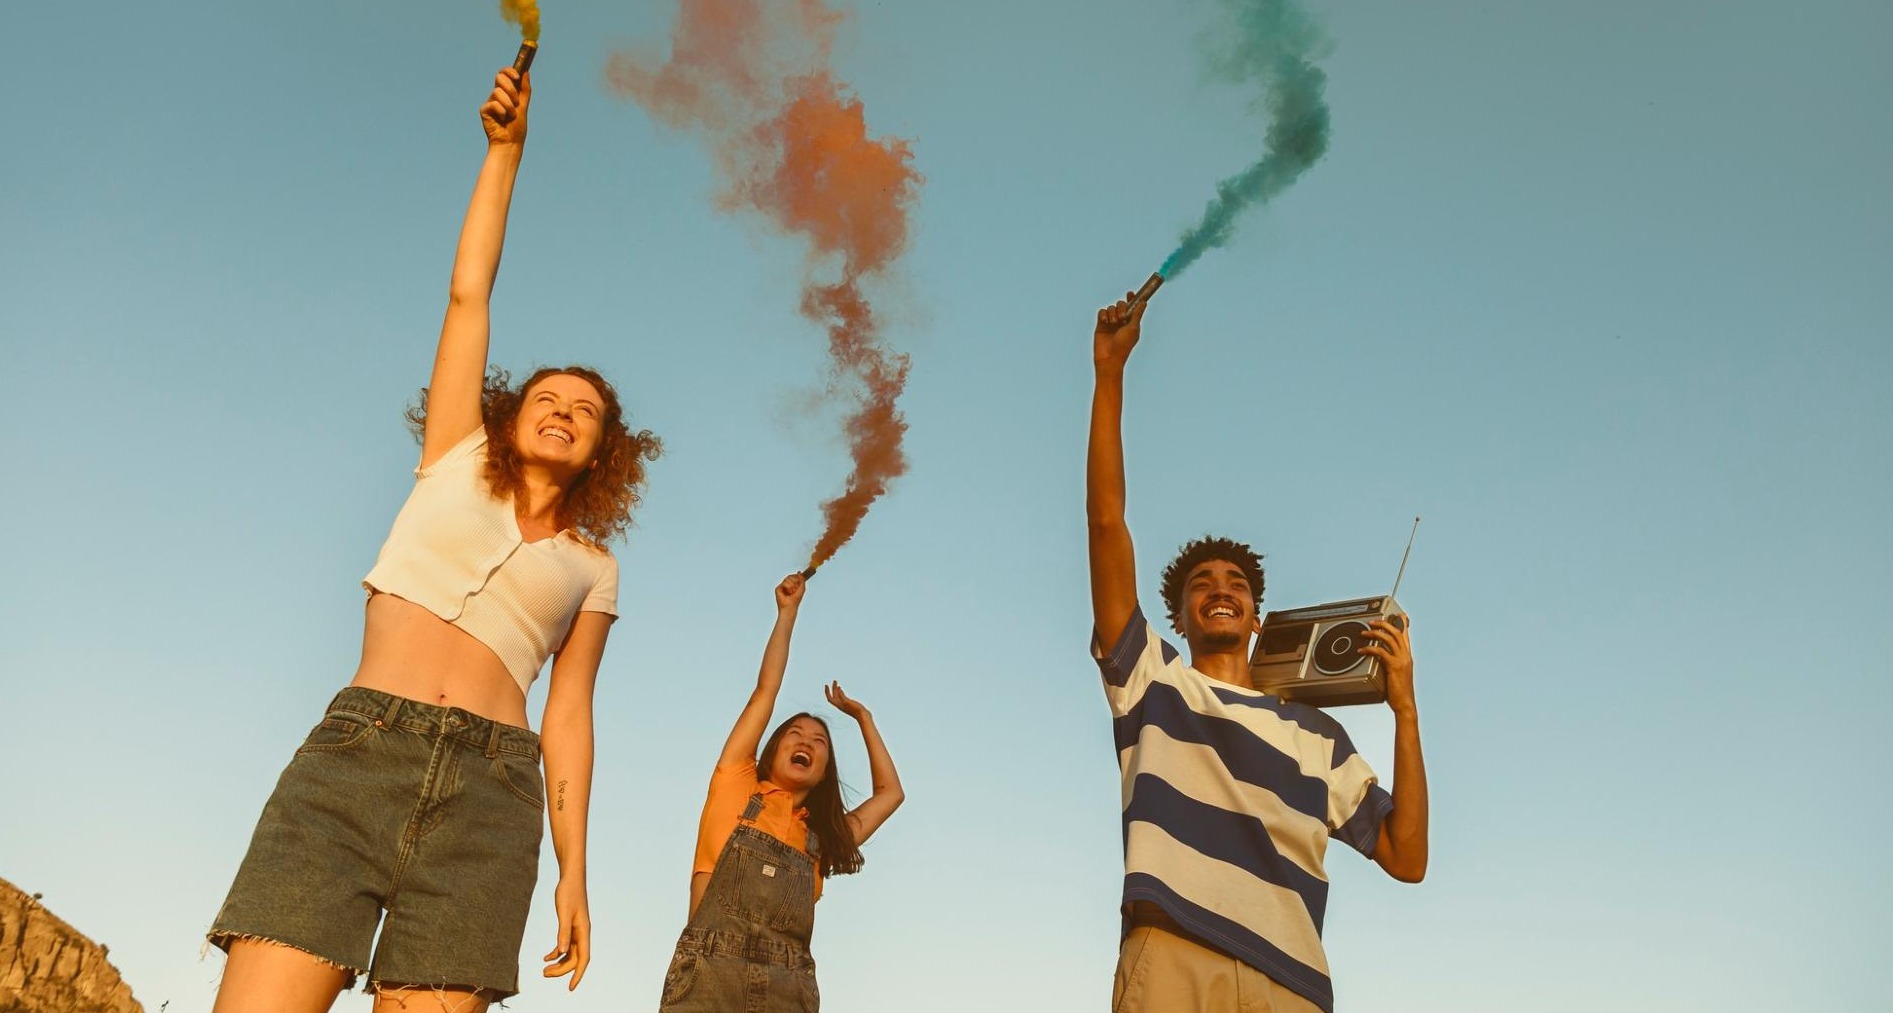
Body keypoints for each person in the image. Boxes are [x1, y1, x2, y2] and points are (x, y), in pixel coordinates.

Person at [206, 63, 661, 1013]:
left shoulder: (593, 566)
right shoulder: (454, 455)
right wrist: (505, 153)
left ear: (603, 452)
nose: (564, 411)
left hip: (493, 805)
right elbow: (469, 296)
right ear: (507, 415)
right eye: (547, 397)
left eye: (584, 411)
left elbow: (568, 716)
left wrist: (575, 871)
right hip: (357, 760)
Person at [1085, 294, 1429, 1013]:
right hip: (1174, 948)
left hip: (1291, 977)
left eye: (1235, 584)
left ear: (1254, 616)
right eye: (1200, 585)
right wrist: (1109, 376)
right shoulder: (1153, 681)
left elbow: (1407, 857)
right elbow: (1107, 522)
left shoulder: (1317, 735)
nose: (1219, 590)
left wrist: (1403, 707)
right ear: (1177, 614)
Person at [658, 572, 905, 1012]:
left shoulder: (823, 839)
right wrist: (787, 614)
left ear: (824, 771)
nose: (806, 741)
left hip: (789, 991)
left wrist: (863, 718)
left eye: (819, 741)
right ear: (770, 752)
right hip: (710, 980)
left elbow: (891, 794)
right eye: (795, 733)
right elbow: (764, 693)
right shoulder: (735, 783)